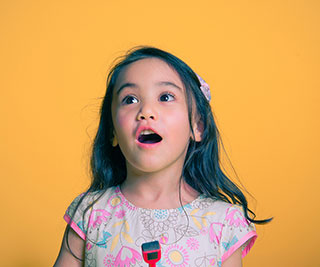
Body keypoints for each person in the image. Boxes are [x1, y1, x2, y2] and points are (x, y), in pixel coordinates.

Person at [54, 46, 271, 267]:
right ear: (112, 132)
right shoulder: (90, 213)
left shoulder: (223, 222)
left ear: (197, 127)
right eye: (130, 99)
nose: (146, 111)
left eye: (165, 97)